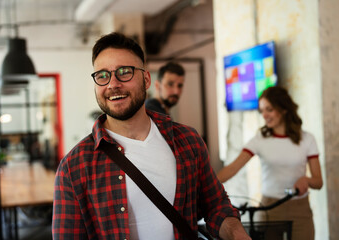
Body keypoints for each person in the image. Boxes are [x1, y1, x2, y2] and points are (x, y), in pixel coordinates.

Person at [52, 32, 250, 240]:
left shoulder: (187, 141)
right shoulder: (74, 168)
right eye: (102, 75)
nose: (112, 84)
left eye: (124, 72)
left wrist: (238, 234)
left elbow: (216, 207)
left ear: (146, 79)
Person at [217, 86, 323, 240]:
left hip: (301, 211)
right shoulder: (260, 139)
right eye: (262, 110)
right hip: (270, 210)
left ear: (284, 109)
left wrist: (306, 180)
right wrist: (207, 185)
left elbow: (318, 182)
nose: (264, 115)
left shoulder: (307, 139)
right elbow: (233, 168)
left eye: (269, 109)